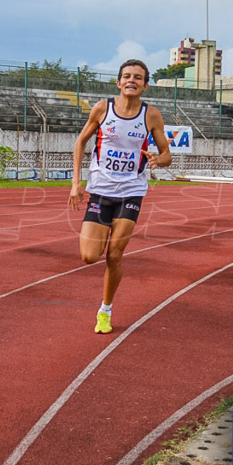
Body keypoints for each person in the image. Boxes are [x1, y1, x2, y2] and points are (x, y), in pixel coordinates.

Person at [68, 59, 172, 334]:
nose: (131, 80)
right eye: (126, 76)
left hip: (131, 191)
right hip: (100, 189)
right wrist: (75, 183)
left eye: (138, 77)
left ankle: (105, 309)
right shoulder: (103, 109)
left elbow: (167, 155)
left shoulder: (151, 116)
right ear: (118, 82)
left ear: (145, 85)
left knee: (114, 255)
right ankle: (100, 236)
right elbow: (80, 141)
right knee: (90, 256)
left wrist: (157, 160)